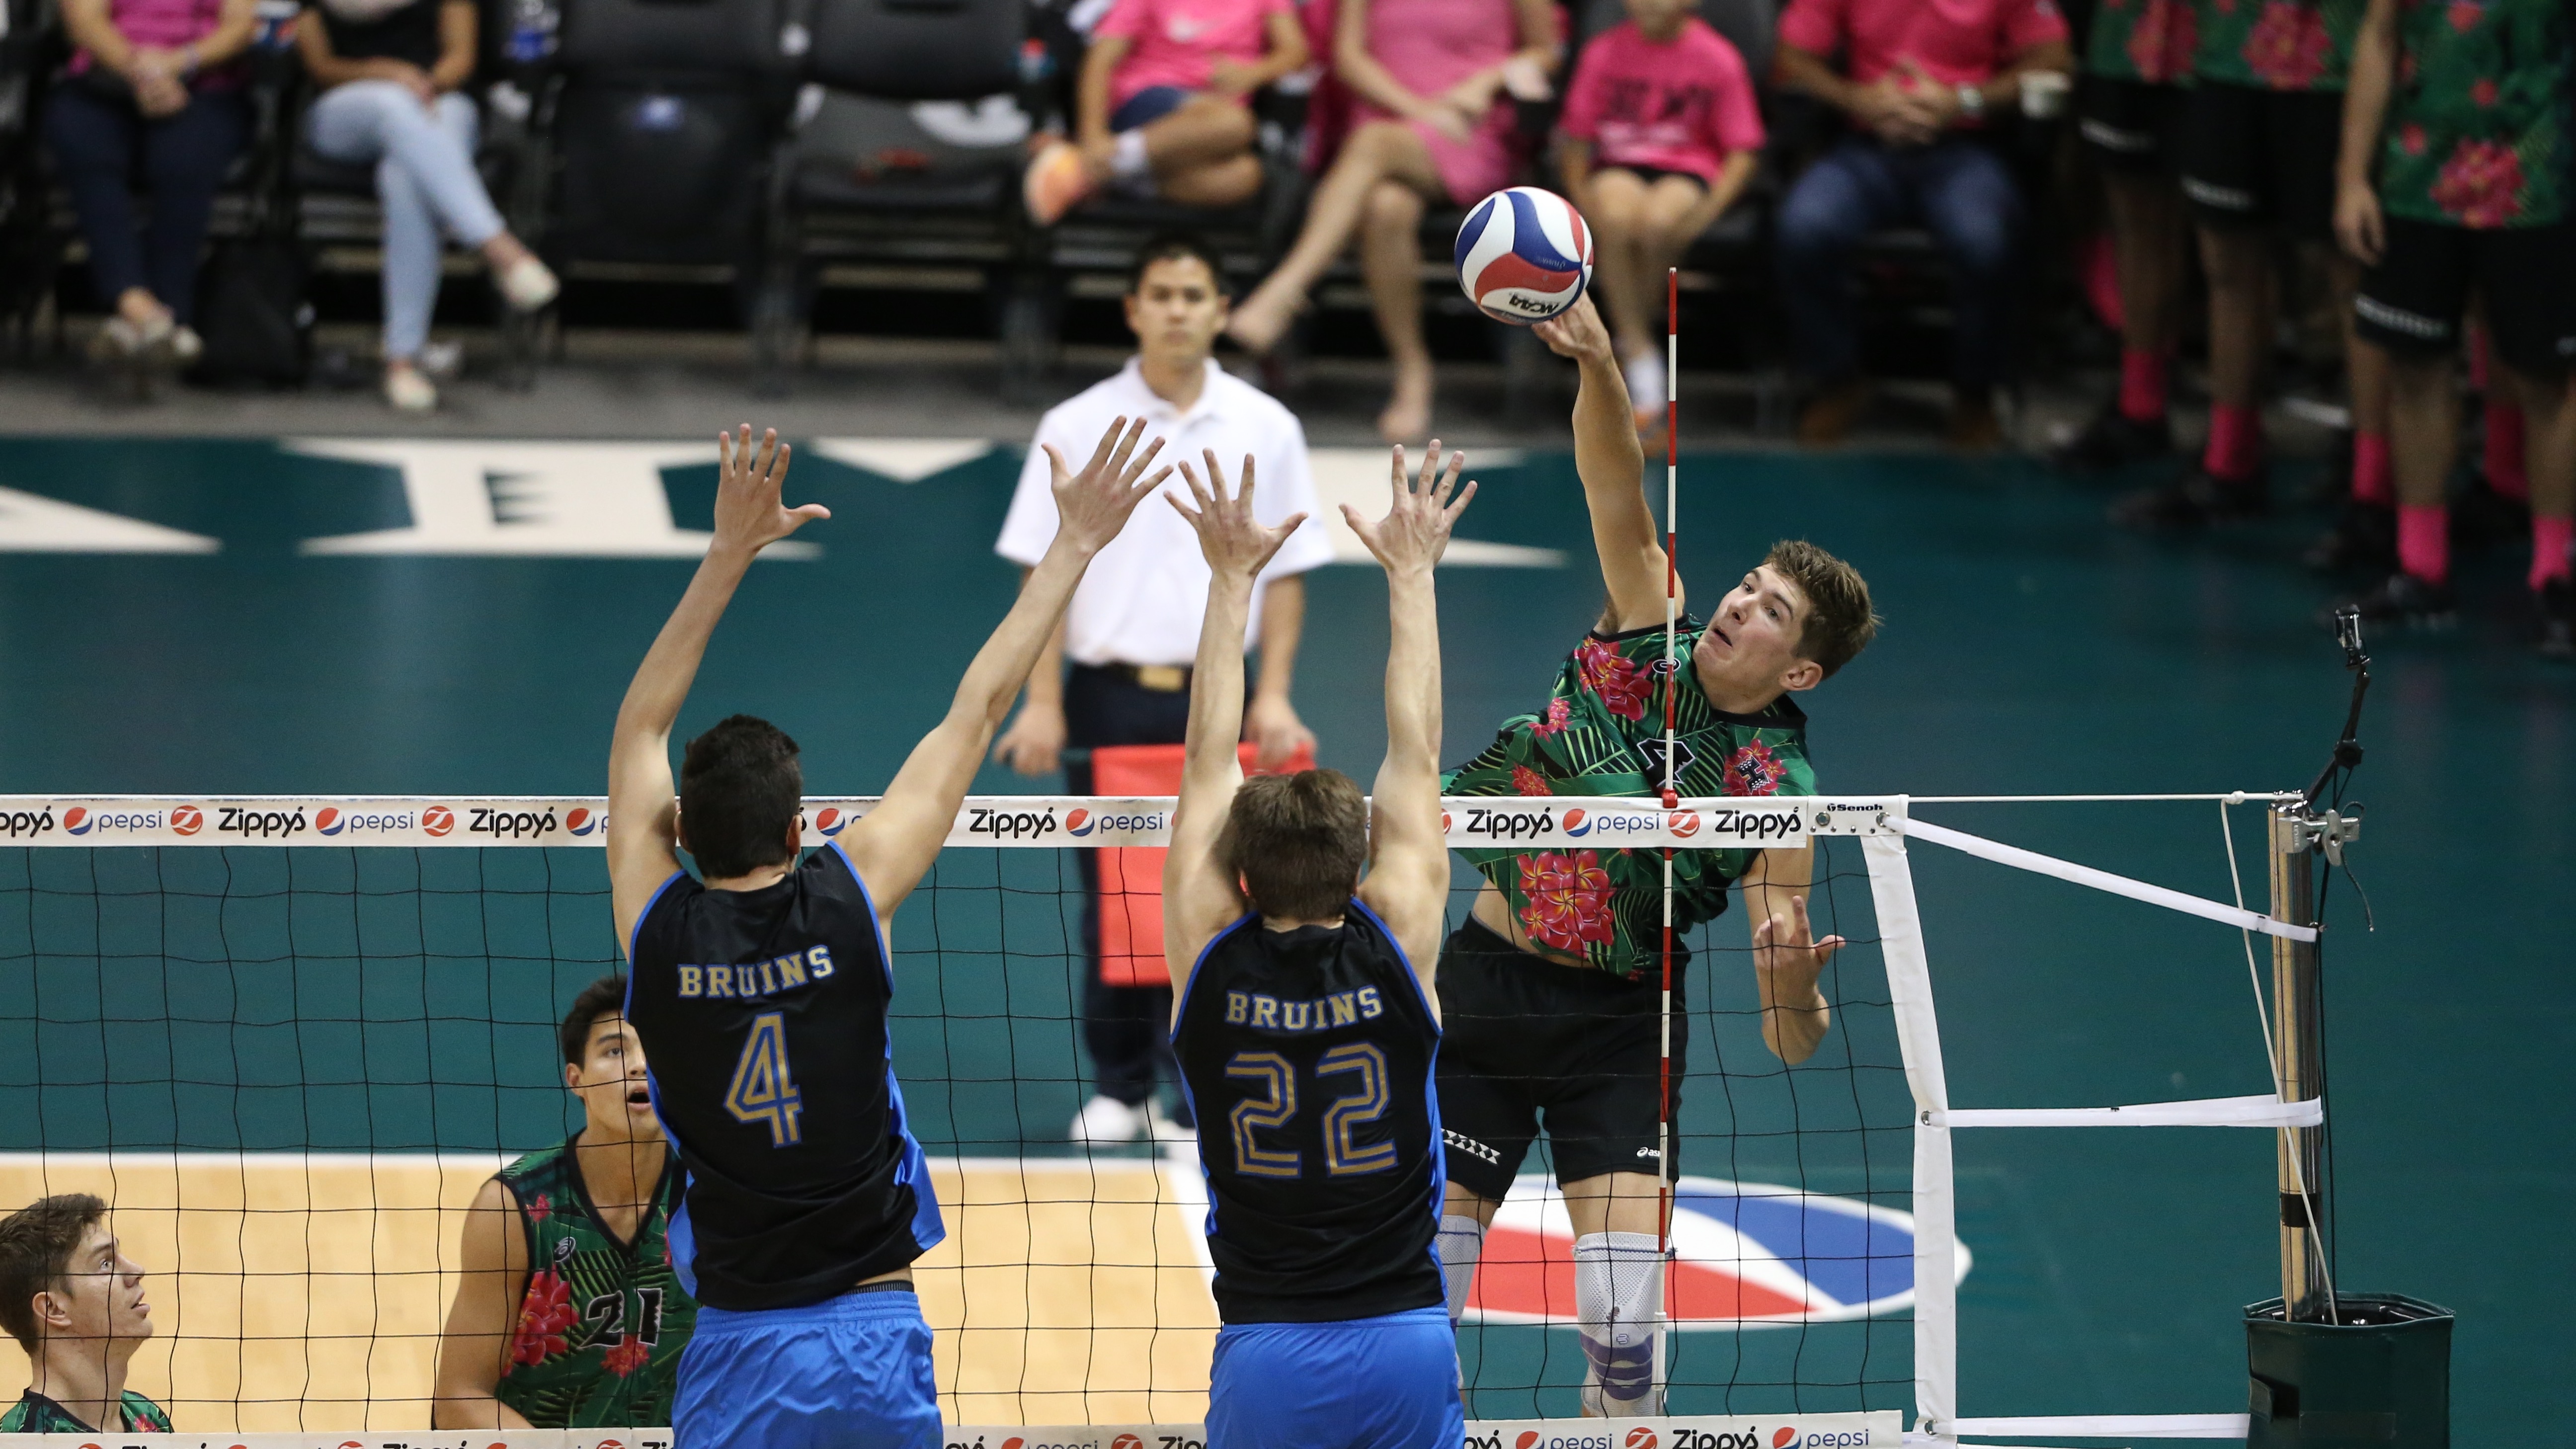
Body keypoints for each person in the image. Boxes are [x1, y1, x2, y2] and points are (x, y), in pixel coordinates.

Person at [608, 418, 1167, 1449]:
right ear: (799, 826)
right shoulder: (854, 892)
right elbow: (978, 707)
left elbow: (639, 728)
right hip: (874, 1327)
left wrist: (726, 554)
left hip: (735, 1340)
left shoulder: (657, 926)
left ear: (678, 831)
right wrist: (1075, 546)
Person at [1429, 296, 1873, 1416]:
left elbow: (1790, 1043)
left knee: (1628, 1336)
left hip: (1624, 1024)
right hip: (1484, 996)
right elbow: (1615, 489)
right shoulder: (1647, 628)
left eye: (1771, 613)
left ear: (1802, 672)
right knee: (1417, 1297)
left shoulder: (1779, 795)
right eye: (1748, 586)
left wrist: (1793, 987)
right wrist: (1594, 370)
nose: (1737, 605)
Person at [1161, 441, 1471, 1449]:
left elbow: (1208, 754)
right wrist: (1411, 573)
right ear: (1364, 865)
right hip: (1405, 1337)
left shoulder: (1210, 955)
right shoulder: (1402, 939)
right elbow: (1415, 749)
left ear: (1239, 872)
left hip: (1266, 1343)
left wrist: (1229, 577)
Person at [992, 234, 1334, 1146]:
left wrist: (1277, 694)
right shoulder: (1075, 424)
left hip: (1226, 693)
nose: (1178, 308)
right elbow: (1041, 574)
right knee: (1116, 897)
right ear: (1133, 309)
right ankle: (1120, 1085)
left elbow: (1289, 572)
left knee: (1225, 892)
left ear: (1221, 310)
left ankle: (1197, 1090)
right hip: (1108, 696)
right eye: (1161, 293)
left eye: (1194, 293)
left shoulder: (1267, 424)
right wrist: (1042, 700)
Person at [2325, 0, 2572, 650]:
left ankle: (2557, 576)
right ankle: (2421, 567)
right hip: (2418, 176)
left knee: (2548, 378)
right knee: (2417, 368)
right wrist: (2353, 177)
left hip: (2539, 181)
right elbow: (2380, 37)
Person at [2111, 0, 2392, 530]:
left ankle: (2375, 493)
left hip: (2333, 62)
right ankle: (2230, 464)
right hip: (2227, 52)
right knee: (2228, 268)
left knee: (2353, 275)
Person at [1223, 0, 1560, 442]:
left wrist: (1485, 82)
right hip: (1390, 118)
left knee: (1372, 144)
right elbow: (1349, 57)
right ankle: (1412, 371)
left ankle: (1287, 290)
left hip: (1467, 127)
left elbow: (1546, 50)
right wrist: (1416, 110)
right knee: (1386, 209)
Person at [1771, 0, 2072, 449]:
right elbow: (1791, 56)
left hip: (1965, 146)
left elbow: (2054, 60)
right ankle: (1837, 379)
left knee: (1987, 241)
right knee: (1803, 227)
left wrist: (1965, 99)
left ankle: (1976, 393)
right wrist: (1856, 98)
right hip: (1866, 146)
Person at [430, 973, 698, 1429]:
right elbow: (460, 1395)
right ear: (576, 1080)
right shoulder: (510, 1209)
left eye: (654, 1050)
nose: (638, 1066)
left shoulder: (713, 1197)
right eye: (616, 1051)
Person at [296, 0, 558, 412]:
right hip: (345, 107)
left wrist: (425, 86)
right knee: (391, 105)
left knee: (403, 177)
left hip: (440, 99)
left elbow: (461, 57)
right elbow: (321, 66)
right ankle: (497, 245)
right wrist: (383, 74)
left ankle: (402, 361)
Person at [1557, 0, 1766, 431]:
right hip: (1619, 163)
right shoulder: (1602, 52)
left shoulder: (1718, 58)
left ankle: (1629, 338)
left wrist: (1709, 210)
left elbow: (1743, 150)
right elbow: (1575, 140)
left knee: (1658, 223)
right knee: (1615, 218)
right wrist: (1582, 203)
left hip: (1689, 167)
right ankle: (1640, 350)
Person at [43, 0, 257, 367]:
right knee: (84, 139)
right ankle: (138, 305)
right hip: (106, 77)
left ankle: (158, 312)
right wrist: (140, 71)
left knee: (183, 156)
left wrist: (178, 63)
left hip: (204, 85)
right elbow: (83, 20)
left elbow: (241, 26)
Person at [2047, 0, 2195, 468]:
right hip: (2121, 32)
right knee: (2136, 223)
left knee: (2237, 246)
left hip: (2229, 42)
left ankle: (2240, 444)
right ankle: (2141, 407)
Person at [1022, 0, 1310, 223]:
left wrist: (1254, 74)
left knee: (1245, 177)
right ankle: (1099, 161)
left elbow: (1296, 51)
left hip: (1209, 132)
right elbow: (1099, 61)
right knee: (1235, 122)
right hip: (1147, 104)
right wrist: (1092, 137)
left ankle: (1105, 174)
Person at [0, 1195, 171, 1434]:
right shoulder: (23, 1439)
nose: (136, 1271)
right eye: (105, 1264)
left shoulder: (147, 1417)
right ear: (53, 1309)